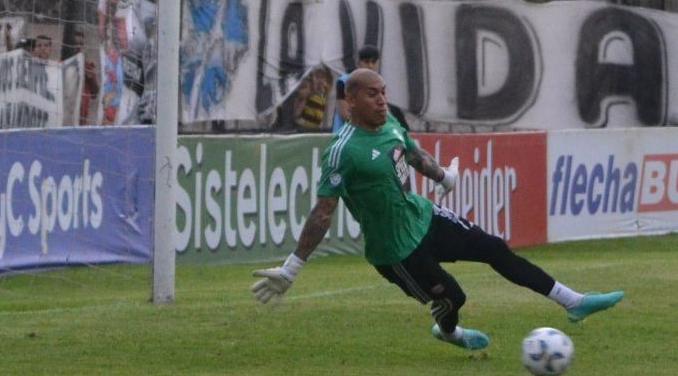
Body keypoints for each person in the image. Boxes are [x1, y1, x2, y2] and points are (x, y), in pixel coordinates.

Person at [252, 69, 624, 352]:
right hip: (396, 251)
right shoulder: (343, 151)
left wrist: (444, 176)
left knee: (494, 247)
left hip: (423, 216)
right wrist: (292, 268)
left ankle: (573, 302)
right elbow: (322, 213)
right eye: (372, 95)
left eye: (384, 93)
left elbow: (412, 154)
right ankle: (450, 332)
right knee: (454, 299)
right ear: (350, 100)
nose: (382, 101)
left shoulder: (390, 125)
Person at [333, 46, 407, 131]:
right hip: (345, 134)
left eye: (373, 62)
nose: (370, 65)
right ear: (358, 63)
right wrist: (365, 128)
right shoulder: (344, 82)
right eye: (366, 62)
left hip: (371, 134)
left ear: (378, 63)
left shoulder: (379, 84)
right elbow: (344, 113)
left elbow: (384, 111)